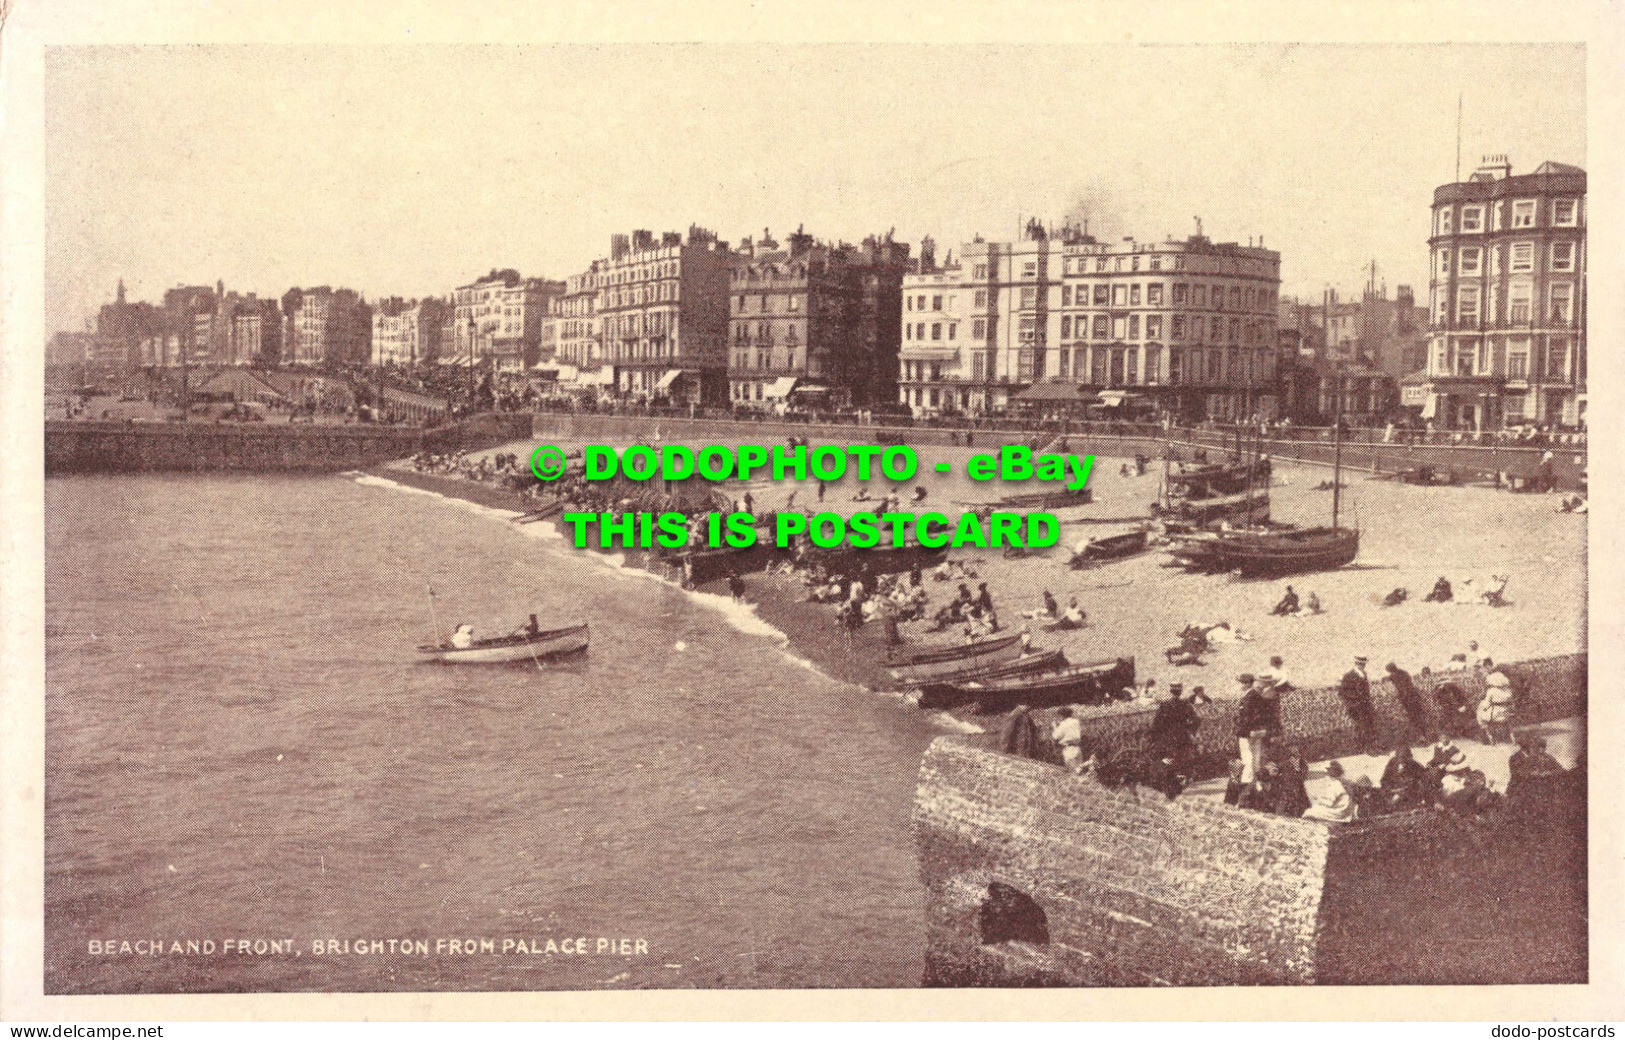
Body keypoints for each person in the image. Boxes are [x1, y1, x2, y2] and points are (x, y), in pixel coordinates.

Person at [1146, 682, 1201, 780]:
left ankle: (1172, 778)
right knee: (1182, 756)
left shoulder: (1165, 705)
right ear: (1180, 691)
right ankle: (1181, 777)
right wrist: (1190, 730)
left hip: (1168, 736)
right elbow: (1197, 719)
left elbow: (1156, 723)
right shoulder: (1185, 704)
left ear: (1171, 691)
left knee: (1168, 757)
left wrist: (1157, 734)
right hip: (1183, 735)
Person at [1234, 674, 1281, 786]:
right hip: (1256, 732)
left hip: (1248, 733)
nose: (1240, 686)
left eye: (1241, 683)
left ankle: (1248, 785)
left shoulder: (1249, 697)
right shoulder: (1257, 696)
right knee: (1255, 759)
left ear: (1246, 684)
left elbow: (1246, 717)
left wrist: (1244, 730)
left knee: (1248, 759)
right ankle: (1256, 785)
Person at [1338, 655, 1379, 752]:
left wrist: (1368, 701)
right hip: (1356, 707)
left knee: (1369, 726)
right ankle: (1364, 748)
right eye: (1360, 663)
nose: (1362, 665)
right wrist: (1354, 701)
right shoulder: (1349, 676)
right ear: (1356, 663)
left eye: (1363, 664)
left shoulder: (1364, 674)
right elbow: (1342, 692)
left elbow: (1366, 691)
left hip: (1366, 706)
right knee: (1361, 727)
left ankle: (1371, 747)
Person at [1385, 661, 1431, 740]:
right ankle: (1424, 735)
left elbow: (1395, 686)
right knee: (1419, 716)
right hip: (1414, 697)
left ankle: (1421, 736)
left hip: (1407, 699)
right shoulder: (1404, 673)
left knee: (1414, 717)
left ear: (1390, 670)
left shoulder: (1393, 676)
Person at [1379, 742, 1426, 808]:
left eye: (1406, 758)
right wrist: (1390, 789)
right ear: (1397, 757)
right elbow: (1384, 780)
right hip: (1392, 791)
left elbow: (1424, 777)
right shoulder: (1392, 764)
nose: (1403, 761)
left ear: (1409, 757)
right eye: (1401, 758)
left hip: (1408, 793)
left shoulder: (1414, 765)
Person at [1477, 671, 1515, 744]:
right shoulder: (1508, 691)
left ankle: (1491, 738)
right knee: (1507, 723)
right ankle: (1513, 739)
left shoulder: (1491, 691)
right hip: (1506, 715)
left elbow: (1486, 705)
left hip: (1494, 715)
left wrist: (1483, 707)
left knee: (1481, 716)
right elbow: (1511, 703)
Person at [1051, 707, 1086, 772]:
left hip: (1069, 749)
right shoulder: (1076, 722)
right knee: (1079, 771)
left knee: (1072, 772)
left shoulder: (1063, 724)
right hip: (1077, 748)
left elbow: (1056, 736)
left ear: (1062, 715)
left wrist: (1055, 727)